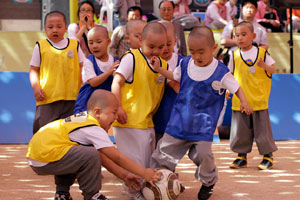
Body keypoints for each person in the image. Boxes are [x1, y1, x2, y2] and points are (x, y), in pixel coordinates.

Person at [150, 26, 252, 200]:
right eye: (192, 51)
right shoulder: (185, 63)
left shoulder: (221, 72)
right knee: (163, 151)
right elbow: (174, 76)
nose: (196, 56)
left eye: (201, 52)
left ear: (213, 48)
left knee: (203, 155)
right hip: (179, 122)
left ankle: (208, 181)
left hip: (203, 126)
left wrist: (244, 101)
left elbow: (237, 88)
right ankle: (159, 181)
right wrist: (160, 69)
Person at [26, 89, 162, 200]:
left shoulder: (83, 119)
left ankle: (62, 194)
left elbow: (102, 158)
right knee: (88, 154)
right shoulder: (93, 128)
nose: (115, 117)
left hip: (39, 155)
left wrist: (124, 176)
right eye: (113, 113)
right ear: (97, 112)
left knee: (77, 153)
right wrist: (144, 172)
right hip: (44, 155)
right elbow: (117, 157)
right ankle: (92, 195)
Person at [111, 22, 168, 199]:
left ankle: (143, 189)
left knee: (147, 161)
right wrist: (118, 107)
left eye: (160, 47)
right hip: (128, 119)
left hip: (146, 121)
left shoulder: (162, 65)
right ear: (140, 40)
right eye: (151, 46)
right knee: (135, 161)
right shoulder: (131, 58)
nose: (155, 51)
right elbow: (116, 82)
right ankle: (133, 191)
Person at [228, 21, 278, 170]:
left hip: (258, 99)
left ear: (253, 36)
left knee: (262, 130)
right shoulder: (234, 55)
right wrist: (227, 91)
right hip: (240, 101)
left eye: (244, 34)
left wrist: (264, 66)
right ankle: (241, 156)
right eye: (237, 35)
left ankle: (268, 156)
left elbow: (273, 70)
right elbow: (229, 75)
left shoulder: (262, 53)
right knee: (240, 131)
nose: (240, 38)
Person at [29, 11, 85, 134]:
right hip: (48, 98)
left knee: (70, 133)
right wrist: (36, 87)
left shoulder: (74, 45)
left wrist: (84, 85)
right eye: (50, 27)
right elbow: (33, 70)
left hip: (72, 98)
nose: (55, 30)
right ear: (45, 29)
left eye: (59, 26)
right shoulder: (40, 46)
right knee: (45, 133)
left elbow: (83, 67)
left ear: (65, 28)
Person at [74, 25, 120, 114]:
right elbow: (93, 82)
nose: (94, 46)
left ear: (108, 41)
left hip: (105, 105)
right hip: (86, 104)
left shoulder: (115, 62)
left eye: (98, 42)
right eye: (90, 43)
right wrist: (109, 72)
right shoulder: (89, 61)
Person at [153, 20, 183, 144]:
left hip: (175, 118)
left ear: (175, 41)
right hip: (154, 117)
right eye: (161, 45)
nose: (165, 48)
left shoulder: (183, 62)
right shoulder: (151, 62)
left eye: (168, 43)